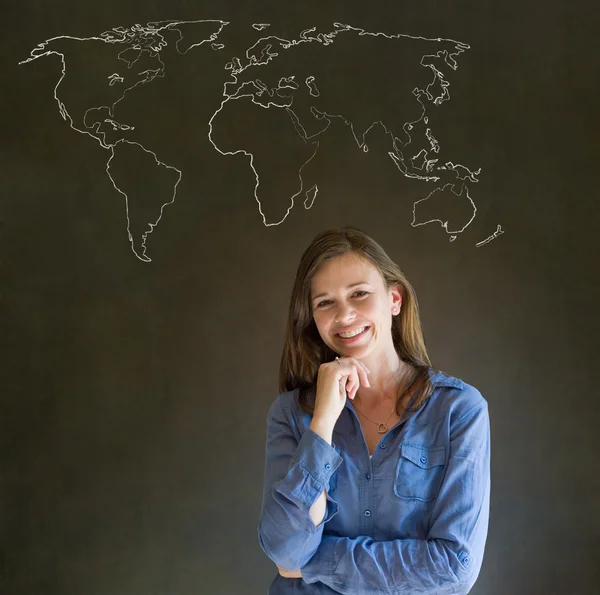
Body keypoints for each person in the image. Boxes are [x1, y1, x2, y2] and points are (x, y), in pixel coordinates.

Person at [258, 226, 491, 594]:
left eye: (360, 294)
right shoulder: (290, 413)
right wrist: (322, 422)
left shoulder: (458, 410)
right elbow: (286, 548)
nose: (345, 315)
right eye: (325, 302)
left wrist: (314, 563)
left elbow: (455, 567)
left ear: (394, 299)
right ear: (312, 318)